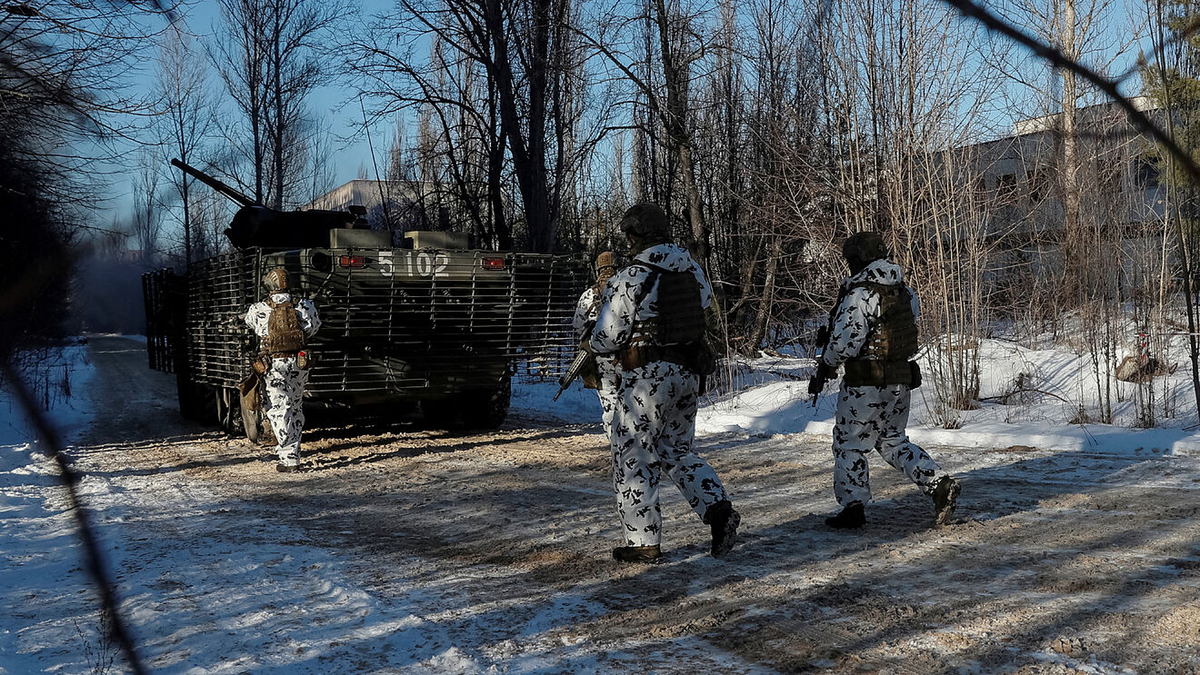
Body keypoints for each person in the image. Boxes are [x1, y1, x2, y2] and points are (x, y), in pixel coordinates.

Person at [588, 203, 739, 563]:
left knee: (633, 456)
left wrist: (595, 341)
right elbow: (708, 315)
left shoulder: (631, 276)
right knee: (676, 451)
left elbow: (606, 337)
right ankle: (718, 510)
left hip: (646, 380)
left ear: (635, 235)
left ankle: (643, 543)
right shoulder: (691, 268)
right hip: (687, 374)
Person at [809, 232, 960, 529]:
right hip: (900, 381)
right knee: (893, 441)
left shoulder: (860, 294)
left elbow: (845, 344)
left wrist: (826, 364)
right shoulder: (905, 291)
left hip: (866, 383)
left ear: (857, 260)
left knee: (850, 445)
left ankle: (853, 508)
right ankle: (939, 483)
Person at [244, 268, 321, 472]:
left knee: (278, 409)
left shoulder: (258, 308)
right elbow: (314, 327)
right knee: (295, 406)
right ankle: (294, 449)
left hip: (272, 365)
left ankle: (289, 458)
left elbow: (250, 323)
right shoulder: (304, 305)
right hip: (299, 363)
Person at [572, 251, 622, 437]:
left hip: (602, 359)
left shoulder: (589, 295)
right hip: (630, 356)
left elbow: (577, 326)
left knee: (610, 404)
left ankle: (617, 448)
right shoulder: (629, 289)